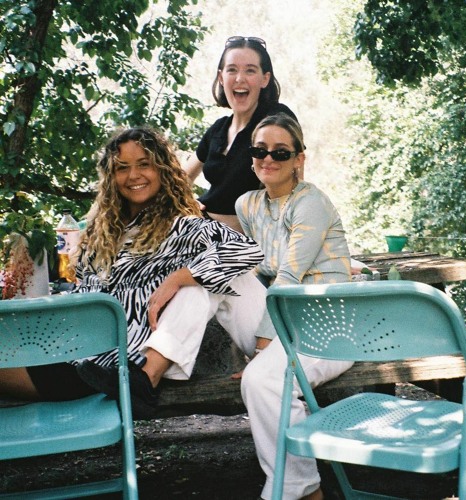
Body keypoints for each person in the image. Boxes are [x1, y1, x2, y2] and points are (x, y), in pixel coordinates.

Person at [0, 126, 275, 419]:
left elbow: (247, 251)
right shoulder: (100, 233)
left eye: (144, 164)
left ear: (162, 170)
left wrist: (178, 278)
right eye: (122, 167)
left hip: (114, 366)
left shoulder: (183, 226)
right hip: (70, 350)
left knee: (207, 282)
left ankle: (150, 377)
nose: (133, 175)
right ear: (111, 176)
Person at [235, 113, 354, 500]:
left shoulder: (310, 203)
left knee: (262, 380)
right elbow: (257, 273)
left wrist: (263, 347)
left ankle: (298, 489)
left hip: (329, 327)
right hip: (287, 322)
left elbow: (286, 278)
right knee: (222, 278)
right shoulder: (247, 205)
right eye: (260, 150)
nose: (268, 159)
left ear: (299, 159)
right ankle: (154, 362)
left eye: (280, 152)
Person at [184, 36, 298, 232]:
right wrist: (186, 202)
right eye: (232, 70)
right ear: (221, 77)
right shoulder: (218, 129)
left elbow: (294, 184)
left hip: (247, 239)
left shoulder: (276, 118)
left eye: (250, 70)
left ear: (265, 79)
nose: (239, 78)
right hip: (199, 229)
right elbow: (178, 180)